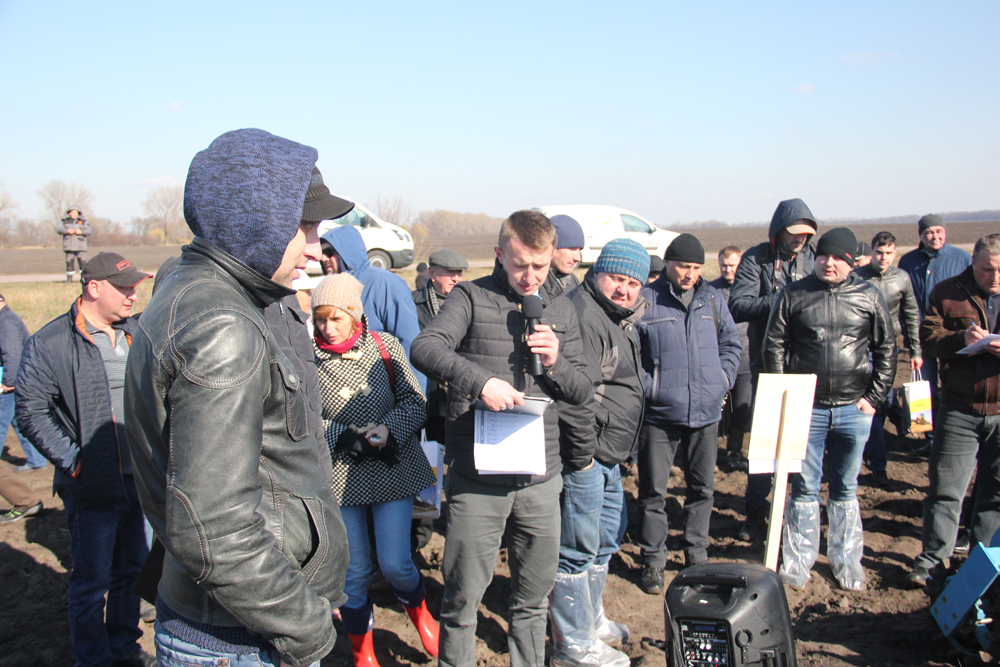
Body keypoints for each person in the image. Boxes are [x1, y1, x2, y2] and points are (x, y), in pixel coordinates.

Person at [122, 129, 350, 667]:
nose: (315, 247)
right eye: (304, 226)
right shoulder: (221, 324)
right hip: (239, 638)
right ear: (258, 221)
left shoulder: (193, 292)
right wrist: (306, 626)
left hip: (234, 620)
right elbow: (214, 527)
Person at [410, 210, 592, 667]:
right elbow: (425, 347)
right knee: (461, 601)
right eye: (519, 265)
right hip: (478, 480)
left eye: (540, 266)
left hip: (540, 481)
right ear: (498, 254)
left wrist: (555, 363)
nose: (530, 277)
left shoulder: (562, 308)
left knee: (532, 603)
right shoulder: (470, 297)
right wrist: (480, 382)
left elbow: (583, 390)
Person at [15, 252, 154, 667]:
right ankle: (92, 659)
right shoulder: (50, 343)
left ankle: (124, 647)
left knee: (133, 573)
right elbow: (31, 411)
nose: (133, 295)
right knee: (91, 583)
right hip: (92, 486)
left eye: (134, 287)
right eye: (124, 287)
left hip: (139, 481)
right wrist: (77, 463)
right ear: (94, 288)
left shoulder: (135, 334)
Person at [311, 273, 438, 667]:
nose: (327, 329)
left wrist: (388, 429)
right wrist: (343, 436)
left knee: (396, 562)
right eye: (320, 320)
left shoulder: (385, 347)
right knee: (354, 572)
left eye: (336, 319)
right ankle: (361, 651)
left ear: (355, 315)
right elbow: (300, 415)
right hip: (340, 476)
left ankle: (421, 613)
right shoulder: (305, 356)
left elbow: (415, 401)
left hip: (391, 467)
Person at [763, 228, 895, 590]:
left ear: (851, 262)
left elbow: (887, 348)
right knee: (804, 487)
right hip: (807, 408)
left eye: (837, 258)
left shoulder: (868, 295)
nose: (829, 263)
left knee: (846, 486)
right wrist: (785, 396)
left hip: (855, 408)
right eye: (823, 256)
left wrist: (874, 398)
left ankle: (846, 560)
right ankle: (798, 561)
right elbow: (773, 346)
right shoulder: (793, 294)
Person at [550, 239, 650, 667]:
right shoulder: (583, 314)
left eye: (633, 283)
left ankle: (590, 621)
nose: (624, 289)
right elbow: (574, 393)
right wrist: (585, 456)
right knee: (577, 546)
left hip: (608, 453)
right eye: (617, 278)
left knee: (605, 537)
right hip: (585, 455)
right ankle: (573, 645)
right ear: (597, 273)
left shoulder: (615, 316)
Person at [635, 234, 741, 594]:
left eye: (696, 267)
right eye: (683, 266)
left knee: (702, 488)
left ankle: (696, 553)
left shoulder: (712, 300)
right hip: (660, 415)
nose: (689, 274)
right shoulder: (646, 301)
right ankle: (653, 560)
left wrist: (721, 380)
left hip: (706, 412)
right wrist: (652, 388)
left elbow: (731, 343)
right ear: (667, 263)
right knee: (652, 490)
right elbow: (633, 354)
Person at [908, 233, 1000, 588]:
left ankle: (982, 565)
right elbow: (928, 337)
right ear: (972, 262)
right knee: (945, 489)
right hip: (959, 409)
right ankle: (933, 561)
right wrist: (961, 340)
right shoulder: (948, 292)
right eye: (987, 268)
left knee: (995, 494)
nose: (994, 276)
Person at [728, 198, 817, 542]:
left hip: (807, 363)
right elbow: (738, 304)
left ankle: (797, 513)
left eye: (805, 234)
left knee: (804, 444)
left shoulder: (815, 258)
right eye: (794, 233)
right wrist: (784, 301)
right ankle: (755, 514)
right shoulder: (756, 259)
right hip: (766, 363)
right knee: (766, 443)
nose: (800, 239)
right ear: (778, 230)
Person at [854, 231, 923, 485]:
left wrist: (915, 350)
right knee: (872, 404)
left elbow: (911, 315)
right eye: (879, 252)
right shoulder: (857, 277)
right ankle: (877, 465)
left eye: (889, 253)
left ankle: (895, 429)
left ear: (895, 253)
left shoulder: (902, 278)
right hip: (863, 349)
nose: (883, 258)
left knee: (884, 401)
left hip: (890, 349)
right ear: (871, 252)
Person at [898, 214, 972, 426]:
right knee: (925, 387)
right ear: (921, 235)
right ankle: (929, 433)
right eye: (929, 232)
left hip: (954, 334)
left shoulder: (962, 259)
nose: (935, 236)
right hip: (922, 335)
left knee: (955, 385)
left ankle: (952, 428)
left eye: (939, 231)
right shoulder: (908, 262)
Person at [412, 248, 468, 442]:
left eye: (459, 273)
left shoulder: (468, 303)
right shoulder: (412, 303)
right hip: (427, 395)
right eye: (449, 273)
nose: (456, 278)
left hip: (458, 394)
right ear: (432, 273)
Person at [709, 246, 752, 473]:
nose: (728, 270)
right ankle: (709, 455)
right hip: (717, 361)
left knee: (741, 412)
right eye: (724, 265)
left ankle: (734, 452)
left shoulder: (750, 289)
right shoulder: (709, 290)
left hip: (745, 360)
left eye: (732, 265)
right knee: (713, 409)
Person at [0, 293, 47, 471]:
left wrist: (9, 383)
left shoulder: (6, 323)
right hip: (17, 379)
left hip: (11, 382)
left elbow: (12, 354)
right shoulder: (6, 319)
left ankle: (37, 460)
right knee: (18, 421)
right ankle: (37, 460)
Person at [543, 214, 585, 298]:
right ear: (551, 248)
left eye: (579, 250)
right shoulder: (531, 284)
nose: (578, 258)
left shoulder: (572, 281)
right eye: (572, 249)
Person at [57, 206, 92, 283]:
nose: (75, 214)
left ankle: (84, 279)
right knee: (69, 263)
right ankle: (69, 279)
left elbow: (89, 230)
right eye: (73, 212)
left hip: (80, 246)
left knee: (82, 263)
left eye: (76, 213)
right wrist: (67, 231)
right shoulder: (64, 221)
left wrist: (81, 232)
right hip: (69, 246)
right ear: (69, 213)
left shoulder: (83, 221)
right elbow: (58, 229)